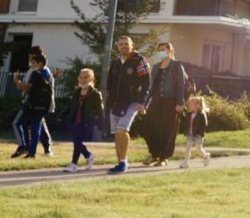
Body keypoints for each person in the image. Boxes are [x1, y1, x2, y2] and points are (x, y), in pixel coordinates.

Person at [105, 36, 150, 174]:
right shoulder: (116, 62)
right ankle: (120, 162)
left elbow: (146, 83)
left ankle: (124, 162)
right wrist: (108, 101)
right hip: (115, 103)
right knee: (116, 134)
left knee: (121, 130)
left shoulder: (139, 60)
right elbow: (110, 84)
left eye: (126, 44)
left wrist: (142, 102)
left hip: (131, 102)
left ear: (131, 45)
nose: (123, 46)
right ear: (117, 46)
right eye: (121, 44)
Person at [142, 41, 186, 166]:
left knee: (167, 130)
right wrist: (145, 103)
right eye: (159, 49)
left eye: (163, 49)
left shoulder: (177, 66)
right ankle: (154, 153)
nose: (161, 52)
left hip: (171, 100)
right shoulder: (156, 66)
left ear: (170, 51)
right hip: (156, 100)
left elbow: (181, 85)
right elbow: (151, 87)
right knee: (148, 127)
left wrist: (180, 102)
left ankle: (164, 157)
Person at [11, 44, 54, 158]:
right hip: (43, 104)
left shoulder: (36, 72)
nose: (30, 61)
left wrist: (16, 81)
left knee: (19, 123)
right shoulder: (46, 72)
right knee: (35, 127)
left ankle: (26, 147)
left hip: (31, 103)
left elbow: (27, 87)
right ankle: (33, 151)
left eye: (32, 59)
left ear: (38, 60)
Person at [62, 68, 103, 172]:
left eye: (86, 77)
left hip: (87, 122)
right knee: (76, 141)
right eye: (81, 77)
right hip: (75, 120)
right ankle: (89, 156)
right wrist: (62, 114)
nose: (83, 79)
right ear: (78, 78)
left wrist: (101, 123)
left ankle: (74, 164)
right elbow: (70, 105)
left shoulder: (95, 94)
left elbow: (100, 110)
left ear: (91, 78)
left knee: (77, 141)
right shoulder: (77, 91)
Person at [179, 94, 210, 168]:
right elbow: (184, 119)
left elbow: (204, 125)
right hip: (190, 134)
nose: (190, 106)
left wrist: (201, 133)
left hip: (198, 135)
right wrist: (180, 112)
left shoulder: (202, 114)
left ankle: (205, 156)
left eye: (191, 104)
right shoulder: (189, 114)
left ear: (197, 105)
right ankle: (185, 162)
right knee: (187, 148)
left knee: (199, 149)